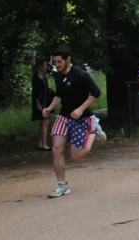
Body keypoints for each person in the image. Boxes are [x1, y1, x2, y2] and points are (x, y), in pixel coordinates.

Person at [42, 46, 105, 197]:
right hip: (64, 117)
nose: (57, 65)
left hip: (81, 118)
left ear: (68, 59)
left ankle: (94, 131)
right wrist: (49, 108)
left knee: (77, 156)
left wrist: (81, 109)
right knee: (56, 148)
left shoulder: (80, 75)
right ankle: (61, 185)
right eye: (55, 62)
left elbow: (96, 93)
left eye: (59, 62)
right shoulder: (58, 76)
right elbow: (58, 96)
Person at [31, 57, 51, 151]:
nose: (46, 67)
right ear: (40, 66)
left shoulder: (43, 77)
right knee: (45, 121)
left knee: (43, 122)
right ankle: (44, 143)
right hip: (39, 103)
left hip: (45, 101)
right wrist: (37, 103)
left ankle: (40, 143)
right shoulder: (36, 78)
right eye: (44, 65)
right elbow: (35, 92)